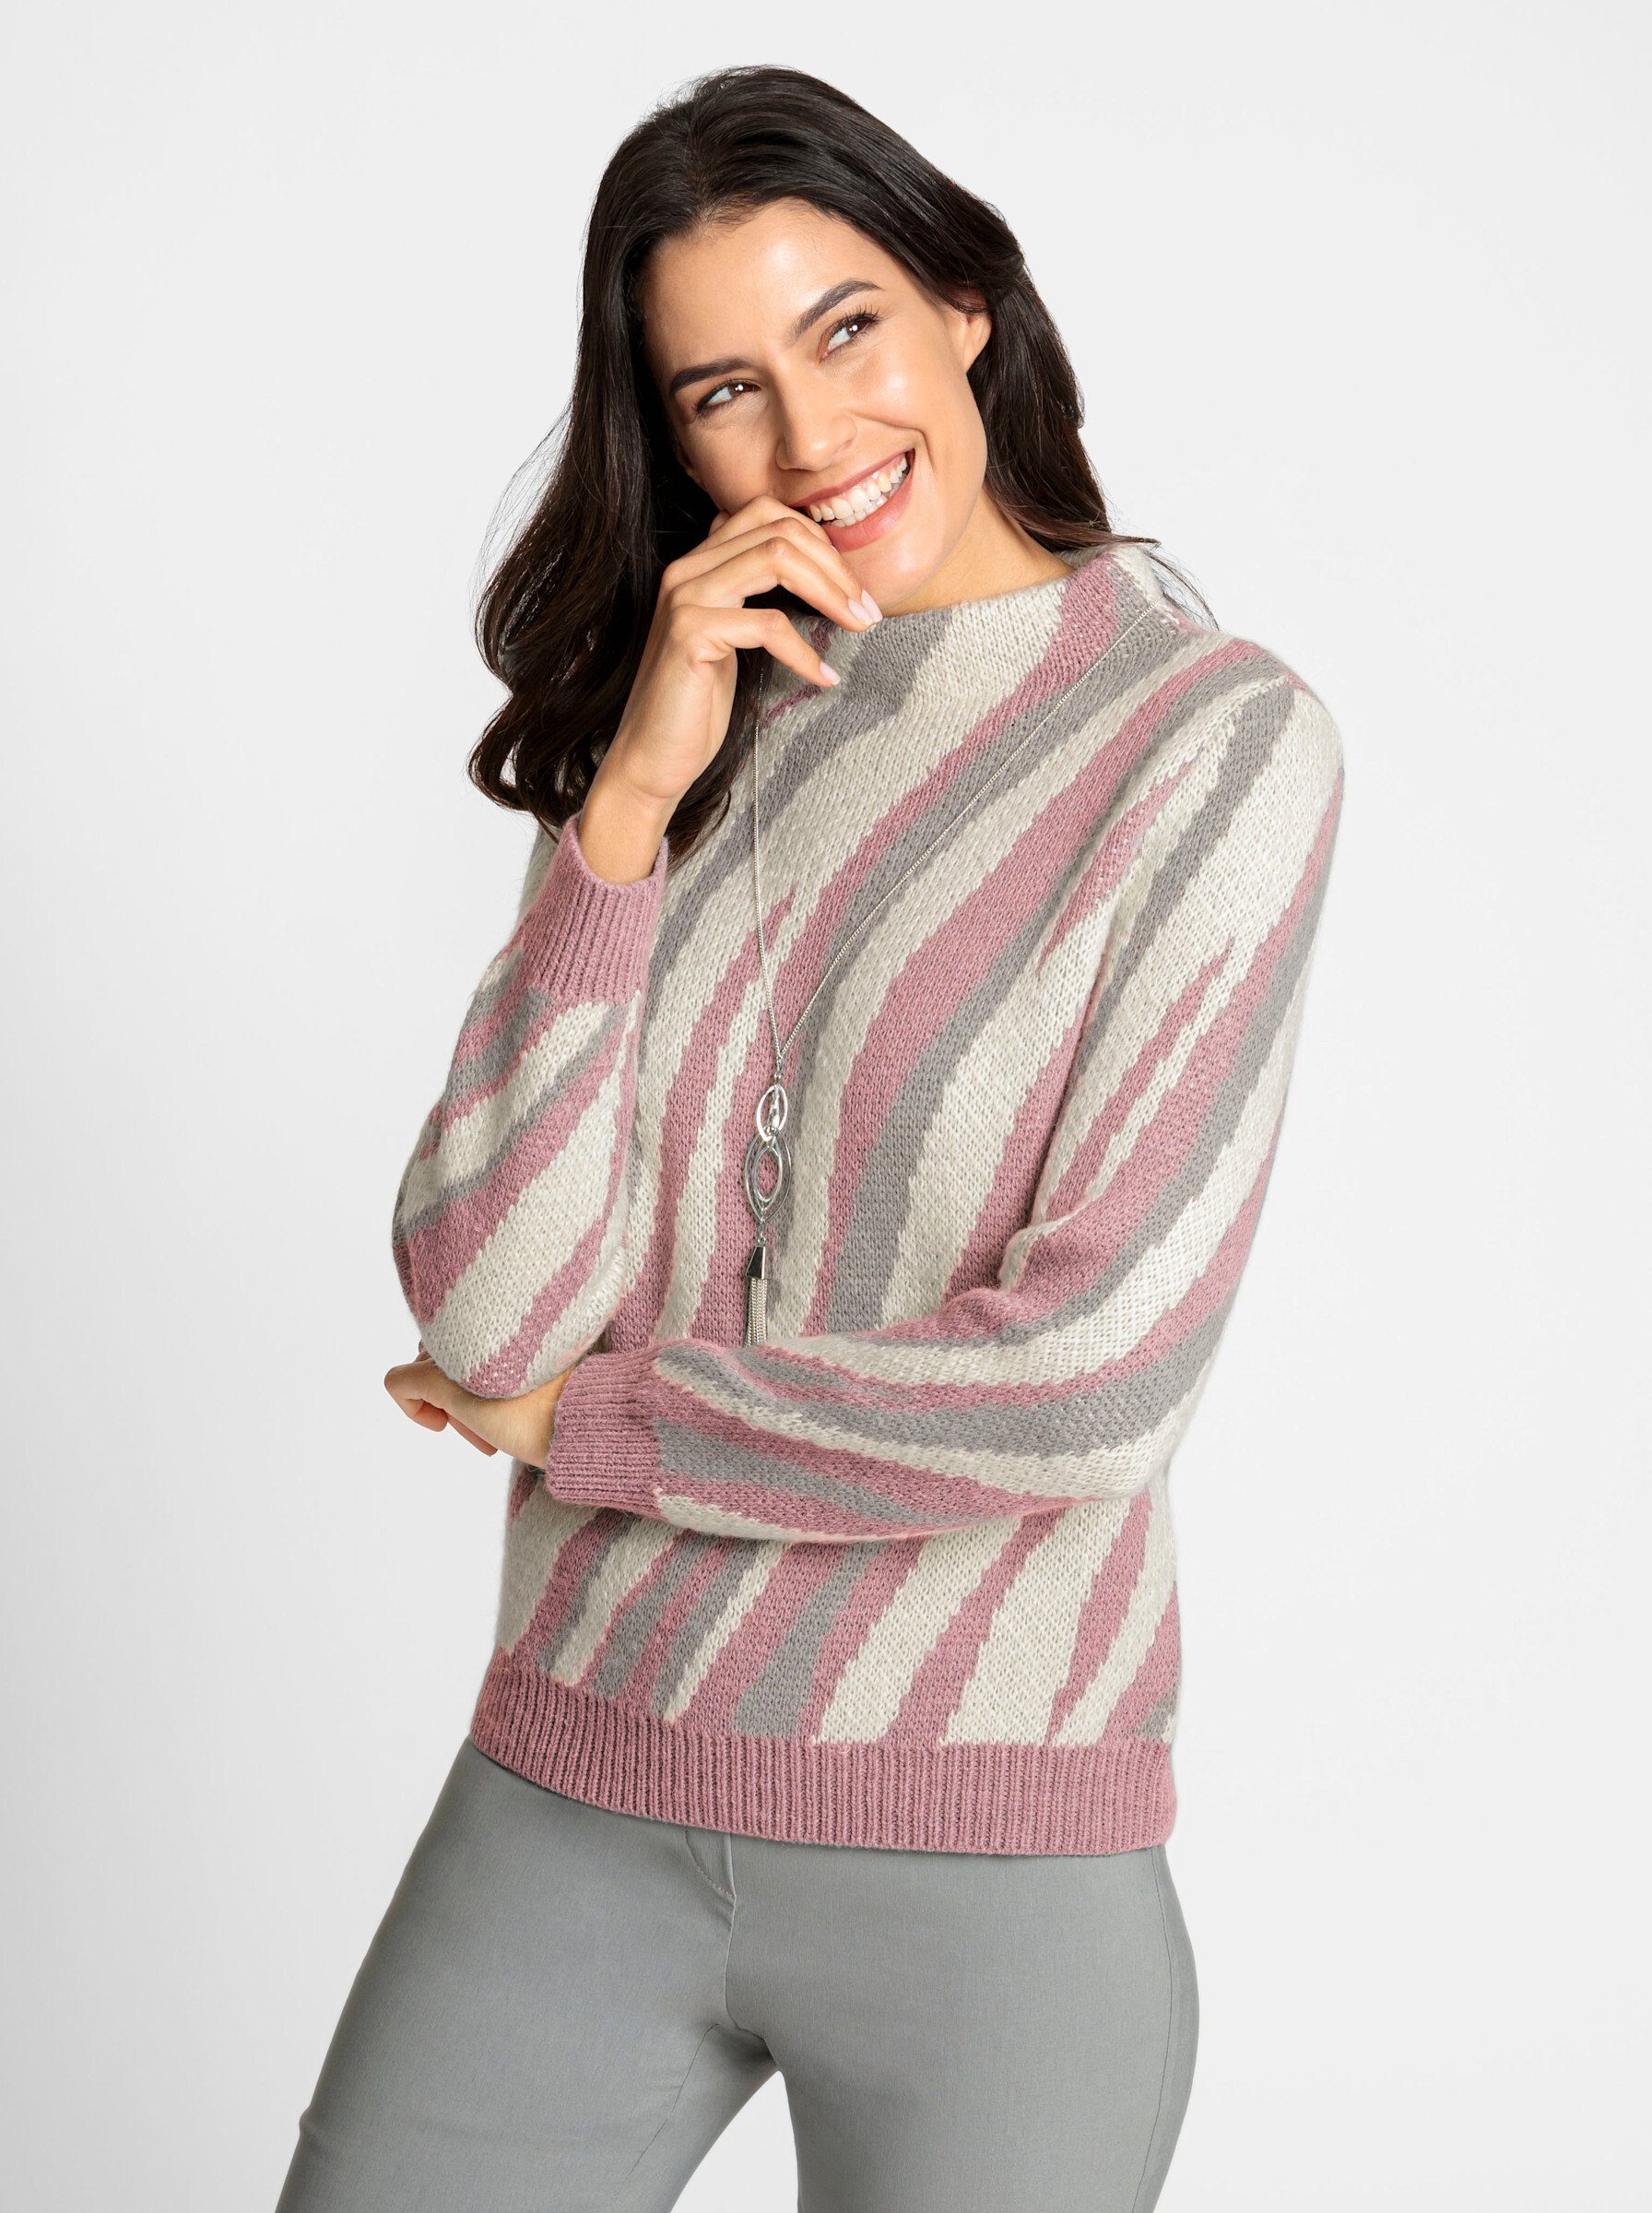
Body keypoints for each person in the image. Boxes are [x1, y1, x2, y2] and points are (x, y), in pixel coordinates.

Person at [274, 61, 1345, 2213]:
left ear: (963, 303)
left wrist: (597, 1427)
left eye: (845, 328)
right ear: (669, 441)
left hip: (985, 1871)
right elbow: (487, 1313)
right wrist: (622, 805)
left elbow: (1084, 1383)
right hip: (564, 1799)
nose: (806, 436)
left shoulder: (1208, 747)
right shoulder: (689, 724)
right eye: (720, 391)